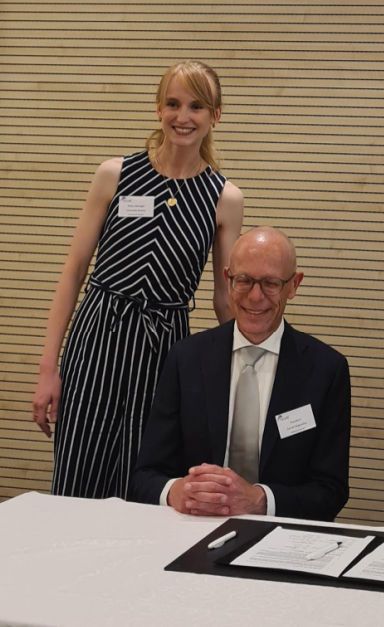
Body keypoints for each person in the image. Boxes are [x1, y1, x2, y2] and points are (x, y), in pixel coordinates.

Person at [31, 61, 244, 499]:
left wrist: (237, 379)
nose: (182, 116)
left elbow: (225, 300)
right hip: (97, 336)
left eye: (196, 106)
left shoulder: (225, 198)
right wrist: (48, 369)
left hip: (165, 350)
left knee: (144, 481)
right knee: (77, 476)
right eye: (172, 103)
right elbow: (73, 272)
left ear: (215, 115)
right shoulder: (115, 173)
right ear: (157, 108)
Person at [130, 227, 351, 521]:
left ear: (294, 285)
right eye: (244, 280)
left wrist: (259, 500)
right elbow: (145, 476)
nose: (255, 296)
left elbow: (330, 490)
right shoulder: (186, 358)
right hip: (192, 527)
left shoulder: (326, 370)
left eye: (271, 283)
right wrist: (176, 491)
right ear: (227, 279)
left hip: (280, 537)